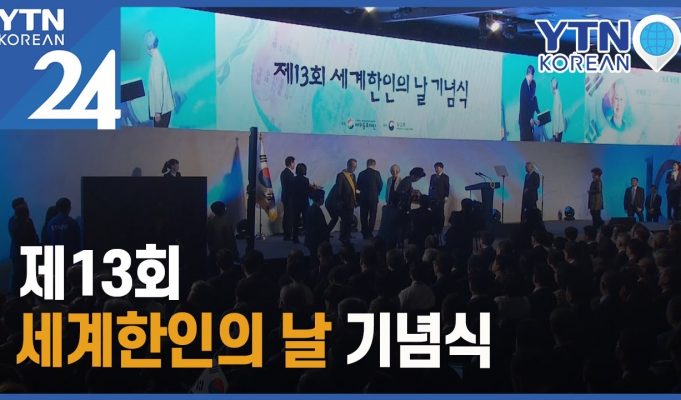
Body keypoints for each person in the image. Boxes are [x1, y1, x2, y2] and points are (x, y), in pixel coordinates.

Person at [8, 198, 39, 295]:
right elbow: (28, 238)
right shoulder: (17, 221)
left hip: (20, 254)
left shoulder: (16, 221)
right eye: (24, 203)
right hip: (21, 255)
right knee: (20, 278)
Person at [144, 30, 175, 128]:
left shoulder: (156, 62)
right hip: (164, 110)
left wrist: (157, 112)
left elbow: (158, 89)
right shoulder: (158, 57)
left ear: (148, 47)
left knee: (159, 136)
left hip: (161, 112)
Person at [45, 197, 81, 263]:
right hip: (70, 257)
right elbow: (78, 241)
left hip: (54, 257)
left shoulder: (50, 223)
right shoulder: (72, 223)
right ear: (69, 208)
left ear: (57, 208)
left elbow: (47, 240)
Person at [206, 201, 237, 275]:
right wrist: (234, 250)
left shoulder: (210, 222)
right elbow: (231, 239)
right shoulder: (227, 222)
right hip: (225, 252)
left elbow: (209, 238)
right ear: (223, 209)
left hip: (215, 251)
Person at [356, 159, 383, 240]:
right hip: (373, 198)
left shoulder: (361, 173)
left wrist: (359, 197)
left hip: (363, 198)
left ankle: (364, 233)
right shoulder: (377, 173)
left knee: (363, 216)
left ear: (367, 164)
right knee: (372, 216)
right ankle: (369, 233)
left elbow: (358, 187)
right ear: (374, 165)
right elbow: (380, 185)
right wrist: (377, 193)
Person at [335, 159, 358, 244]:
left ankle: (347, 236)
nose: (354, 168)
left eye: (355, 167)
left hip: (351, 202)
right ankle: (343, 237)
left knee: (349, 221)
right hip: (344, 203)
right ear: (348, 165)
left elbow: (355, 188)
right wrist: (340, 201)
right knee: (344, 221)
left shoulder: (353, 176)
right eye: (353, 166)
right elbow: (338, 190)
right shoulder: (341, 175)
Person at [304, 189, 329, 260]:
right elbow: (320, 228)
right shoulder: (316, 210)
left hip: (311, 240)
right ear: (320, 199)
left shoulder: (312, 208)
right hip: (316, 241)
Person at [291, 163, 312, 243]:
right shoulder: (306, 180)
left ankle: (295, 238)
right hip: (304, 202)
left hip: (295, 202)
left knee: (295, 220)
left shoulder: (293, 179)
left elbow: (292, 191)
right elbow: (307, 191)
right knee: (306, 220)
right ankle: (307, 238)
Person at [428, 162, 450, 237]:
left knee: (440, 214)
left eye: (437, 167)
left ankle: (440, 229)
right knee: (433, 213)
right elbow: (430, 187)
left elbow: (447, 187)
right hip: (432, 198)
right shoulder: (433, 176)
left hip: (441, 198)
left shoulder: (445, 177)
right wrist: (429, 196)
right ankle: (433, 229)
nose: (436, 169)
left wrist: (446, 196)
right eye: (435, 168)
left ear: (442, 168)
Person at [519, 65, 539, 142]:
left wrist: (533, 119)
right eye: (533, 75)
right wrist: (530, 119)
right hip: (524, 121)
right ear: (530, 74)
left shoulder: (528, 86)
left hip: (527, 122)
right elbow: (524, 106)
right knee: (525, 143)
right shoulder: (524, 85)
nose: (533, 77)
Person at [280, 156, 296, 241]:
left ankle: (286, 234)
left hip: (285, 197)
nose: (294, 165)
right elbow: (291, 187)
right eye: (293, 163)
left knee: (286, 215)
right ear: (290, 163)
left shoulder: (283, 173)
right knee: (289, 216)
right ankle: (288, 234)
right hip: (289, 198)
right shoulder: (289, 174)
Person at [551, 78, 565, 142]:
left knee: (557, 146)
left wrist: (556, 131)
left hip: (558, 130)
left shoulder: (556, 96)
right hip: (559, 129)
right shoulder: (557, 94)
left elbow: (557, 114)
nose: (551, 86)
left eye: (552, 84)